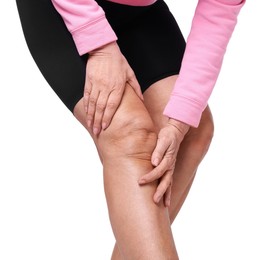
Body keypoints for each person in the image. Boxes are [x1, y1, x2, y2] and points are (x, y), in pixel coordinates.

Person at [15, 0, 245, 258]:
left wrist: (180, 121)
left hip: (138, 10)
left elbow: (219, 10)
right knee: (129, 135)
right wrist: (100, 46)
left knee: (192, 130)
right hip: (66, 6)